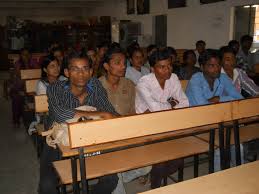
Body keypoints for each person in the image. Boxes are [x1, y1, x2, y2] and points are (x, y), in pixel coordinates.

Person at [39, 54, 119, 194]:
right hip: (59, 140)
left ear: (91, 72)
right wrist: (97, 114)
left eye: (85, 69)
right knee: (47, 186)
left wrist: (114, 117)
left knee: (111, 179)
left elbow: (109, 110)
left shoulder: (95, 85)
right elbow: (61, 114)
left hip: (90, 138)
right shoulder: (55, 88)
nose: (81, 74)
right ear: (67, 73)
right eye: (75, 69)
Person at [135, 49, 189, 188]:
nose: (167, 70)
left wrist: (166, 106)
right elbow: (155, 109)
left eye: (169, 65)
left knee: (178, 160)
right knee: (160, 161)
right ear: (152, 69)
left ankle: (153, 174)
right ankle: (155, 186)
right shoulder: (144, 83)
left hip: (167, 122)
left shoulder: (174, 78)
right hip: (145, 126)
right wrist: (171, 103)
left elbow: (185, 102)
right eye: (162, 67)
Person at [10, 48, 39, 128]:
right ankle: (16, 120)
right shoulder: (17, 64)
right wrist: (21, 90)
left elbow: (37, 75)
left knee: (35, 97)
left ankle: (33, 120)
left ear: (30, 55)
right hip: (19, 87)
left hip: (32, 87)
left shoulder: (33, 62)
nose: (26, 56)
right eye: (23, 54)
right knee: (17, 97)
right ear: (20, 55)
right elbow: (19, 78)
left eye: (27, 54)